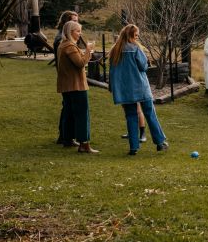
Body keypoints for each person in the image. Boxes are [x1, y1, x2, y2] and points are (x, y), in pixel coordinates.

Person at [108, 24, 168, 155]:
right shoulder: (135, 48)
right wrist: (146, 61)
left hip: (124, 89)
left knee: (130, 116)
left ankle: (133, 147)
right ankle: (159, 142)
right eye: (136, 35)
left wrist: (112, 87)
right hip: (140, 87)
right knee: (150, 114)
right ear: (130, 35)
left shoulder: (115, 50)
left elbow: (111, 71)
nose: (137, 37)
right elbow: (143, 67)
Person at [56, 20, 97, 153]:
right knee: (81, 114)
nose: (80, 34)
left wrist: (85, 52)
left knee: (69, 113)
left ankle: (67, 139)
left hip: (66, 85)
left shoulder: (63, 45)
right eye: (78, 31)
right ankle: (84, 144)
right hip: (76, 85)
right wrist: (88, 51)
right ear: (70, 32)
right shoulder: (70, 47)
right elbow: (80, 63)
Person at [54, 10, 80, 147]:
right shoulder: (62, 39)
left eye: (77, 21)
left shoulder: (65, 38)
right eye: (74, 21)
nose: (76, 24)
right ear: (66, 22)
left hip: (68, 77)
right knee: (68, 109)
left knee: (67, 108)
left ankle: (65, 136)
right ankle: (65, 137)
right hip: (68, 78)